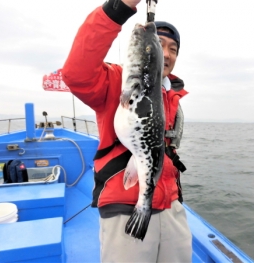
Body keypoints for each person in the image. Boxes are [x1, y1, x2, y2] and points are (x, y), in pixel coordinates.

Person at [62, 0, 192, 262]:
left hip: (172, 207)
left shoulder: (172, 96)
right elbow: (76, 74)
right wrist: (120, 7)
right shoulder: (114, 81)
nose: (166, 54)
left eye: (173, 49)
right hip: (124, 207)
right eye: (159, 45)